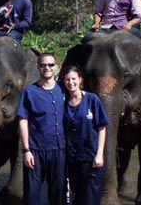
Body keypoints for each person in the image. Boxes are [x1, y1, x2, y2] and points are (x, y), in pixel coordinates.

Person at [17, 53, 66, 205]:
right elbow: (23, 120)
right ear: (38, 67)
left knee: (58, 194)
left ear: (56, 67)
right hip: (36, 150)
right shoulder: (29, 92)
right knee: (31, 193)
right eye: (43, 65)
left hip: (60, 150)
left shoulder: (64, 90)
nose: (47, 68)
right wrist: (26, 150)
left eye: (51, 65)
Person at [60, 65, 108, 204]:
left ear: (80, 79)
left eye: (74, 79)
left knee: (91, 198)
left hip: (91, 158)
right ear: (64, 81)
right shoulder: (63, 103)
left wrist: (99, 154)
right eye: (67, 79)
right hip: (72, 159)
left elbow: (102, 128)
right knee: (76, 197)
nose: (71, 82)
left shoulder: (92, 100)